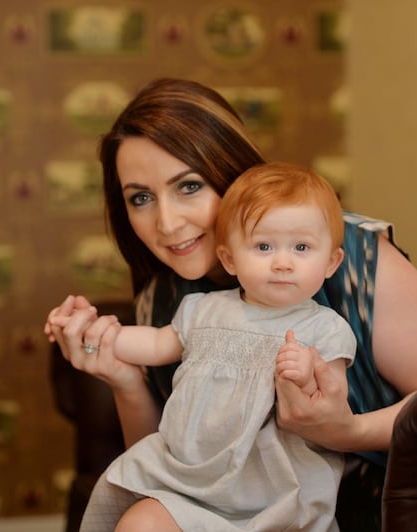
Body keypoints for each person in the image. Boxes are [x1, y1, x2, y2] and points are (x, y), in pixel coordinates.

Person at [45, 77, 417, 531]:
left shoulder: (353, 257)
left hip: (364, 507)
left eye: (188, 186)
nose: (166, 223)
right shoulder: (165, 297)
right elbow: (170, 468)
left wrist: (346, 431)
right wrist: (124, 379)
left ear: (232, 173)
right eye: (141, 198)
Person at [50, 163, 356, 530]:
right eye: (263, 246)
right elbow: (156, 344)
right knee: (138, 522)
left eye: (301, 247)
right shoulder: (204, 309)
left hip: (273, 491)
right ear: (229, 259)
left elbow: (334, 407)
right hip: (189, 480)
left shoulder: (324, 329)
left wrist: (307, 378)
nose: (282, 263)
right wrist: (96, 332)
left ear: (331, 262)